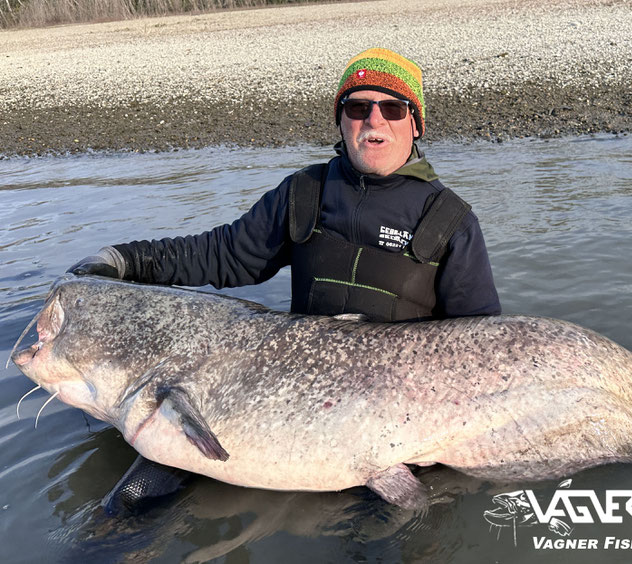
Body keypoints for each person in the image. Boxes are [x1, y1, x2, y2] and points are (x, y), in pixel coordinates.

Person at [70, 48, 501, 511]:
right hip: (280, 396)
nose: (374, 121)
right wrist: (124, 260)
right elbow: (223, 255)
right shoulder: (304, 193)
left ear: (415, 123)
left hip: (397, 423)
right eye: (358, 108)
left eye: (392, 109)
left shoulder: (451, 220)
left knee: (385, 537)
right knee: (126, 505)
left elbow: (482, 345)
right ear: (341, 120)